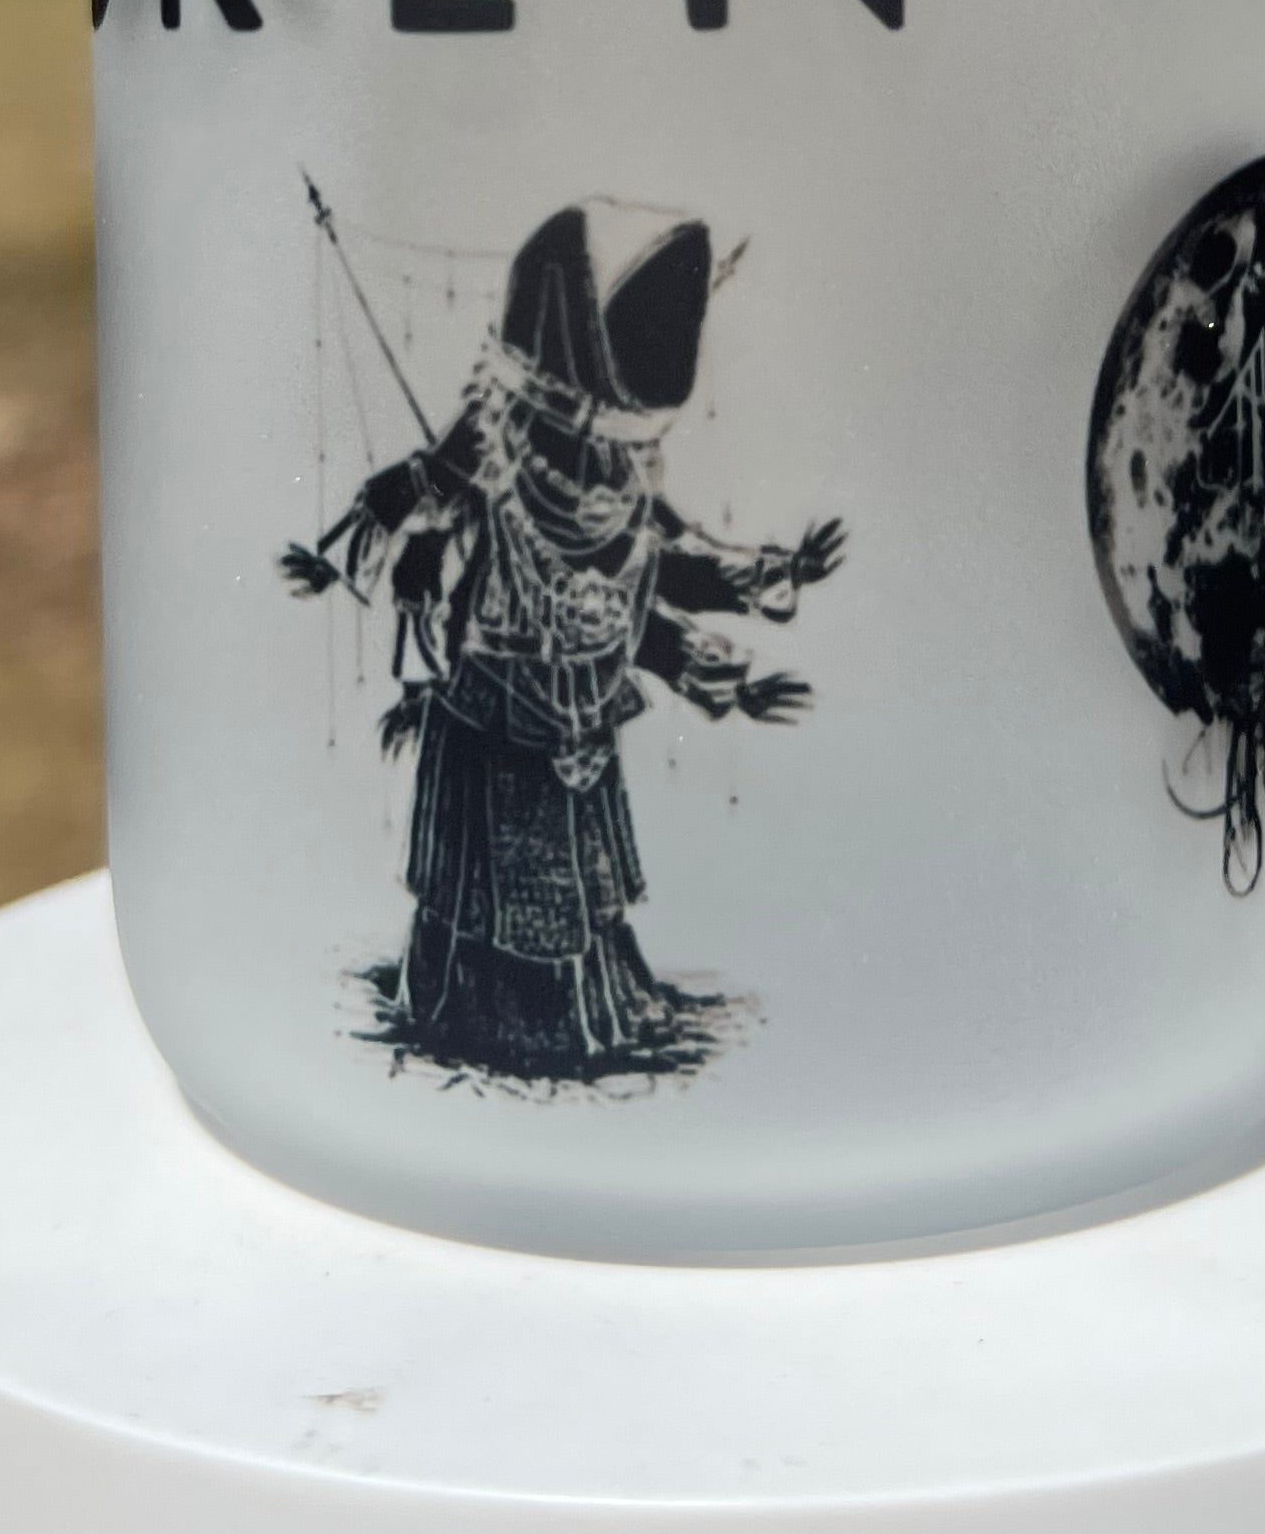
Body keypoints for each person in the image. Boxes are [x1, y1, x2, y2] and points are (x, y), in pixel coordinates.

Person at [287, 201, 846, 1082]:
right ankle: (485, 1024)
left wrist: (774, 582)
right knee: (492, 883)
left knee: (577, 886)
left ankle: (590, 1015)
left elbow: (668, 567)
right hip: (495, 700)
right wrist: (338, 560)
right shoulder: (501, 440)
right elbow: (418, 490)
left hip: (579, 707)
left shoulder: (619, 474)